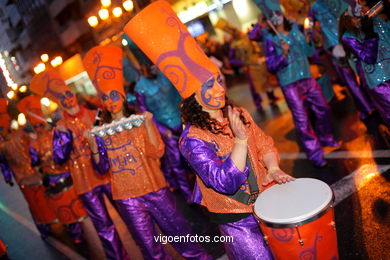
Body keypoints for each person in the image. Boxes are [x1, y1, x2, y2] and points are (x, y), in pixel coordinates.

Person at [123, 2, 294, 259]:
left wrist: (272, 167)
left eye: (218, 80)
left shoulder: (239, 114)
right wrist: (239, 140)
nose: (219, 90)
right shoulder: (192, 140)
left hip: (268, 204)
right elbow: (225, 182)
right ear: (194, 96)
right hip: (237, 221)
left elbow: (265, 143)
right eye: (209, 86)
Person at [83, 45, 211, 260]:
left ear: (123, 96)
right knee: (150, 248)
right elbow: (101, 167)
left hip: (156, 188)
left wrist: (150, 125)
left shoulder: (141, 121)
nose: (110, 101)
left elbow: (158, 152)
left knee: (181, 235)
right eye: (105, 98)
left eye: (114, 95)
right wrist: (93, 145)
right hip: (126, 197)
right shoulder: (101, 133)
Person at [29, 68, 128, 260]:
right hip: (84, 184)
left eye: (68, 94)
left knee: (130, 216)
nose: (67, 100)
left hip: (108, 175)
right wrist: (63, 139)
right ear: (58, 103)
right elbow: (59, 160)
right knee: (104, 227)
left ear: (73, 93)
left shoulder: (95, 115)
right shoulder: (60, 128)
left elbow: (112, 143)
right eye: (62, 99)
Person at [264, 11, 340, 167]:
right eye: (273, 15)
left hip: (307, 77)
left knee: (323, 108)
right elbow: (271, 67)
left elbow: (310, 52)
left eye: (278, 13)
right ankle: (315, 154)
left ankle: (326, 137)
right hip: (290, 83)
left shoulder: (295, 31)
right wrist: (283, 54)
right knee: (302, 120)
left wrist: (307, 40)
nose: (277, 17)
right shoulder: (270, 40)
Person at [125, 36, 193, 202]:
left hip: (183, 123)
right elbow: (145, 114)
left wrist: (187, 118)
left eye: (154, 63)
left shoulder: (166, 76)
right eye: (149, 65)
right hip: (165, 130)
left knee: (193, 157)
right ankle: (188, 195)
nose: (153, 67)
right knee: (176, 162)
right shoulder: (140, 87)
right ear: (142, 67)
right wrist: (163, 131)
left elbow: (180, 96)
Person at [17, 95, 87, 244]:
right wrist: (43, 177)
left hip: (69, 176)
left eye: (41, 125)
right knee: (66, 213)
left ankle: (84, 233)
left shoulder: (56, 134)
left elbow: (67, 149)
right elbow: (36, 165)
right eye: (36, 126)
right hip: (54, 182)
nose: (39, 128)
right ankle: (76, 236)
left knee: (82, 210)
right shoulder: (34, 145)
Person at [0, 98, 58, 239]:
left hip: (35, 173)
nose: (3, 129)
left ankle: (55, 219)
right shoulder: (1, 146)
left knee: (45, 198)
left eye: (3, 125)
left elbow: (33, 145)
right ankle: (43, 227)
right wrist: (8, 178)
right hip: (22, 179)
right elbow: (4, 164)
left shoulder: (20, 134)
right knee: (33, 203)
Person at [308, 0, 375, 121]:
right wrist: (314, 34)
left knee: (359, 73)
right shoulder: (314, 8)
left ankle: (369, 106)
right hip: (338, 45)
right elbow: (309, 28)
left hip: (348, 40)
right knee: (352, 77)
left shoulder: (324, 5)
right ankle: (367, 107)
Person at [339, 4, 390, 127]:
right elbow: (369, 57)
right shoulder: (348, 37)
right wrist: (369, 34)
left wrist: (386, 18)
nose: (361, 18)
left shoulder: (376, 21)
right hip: (379, 81)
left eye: (362, 13)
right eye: (355, 16)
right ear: (348, 20)